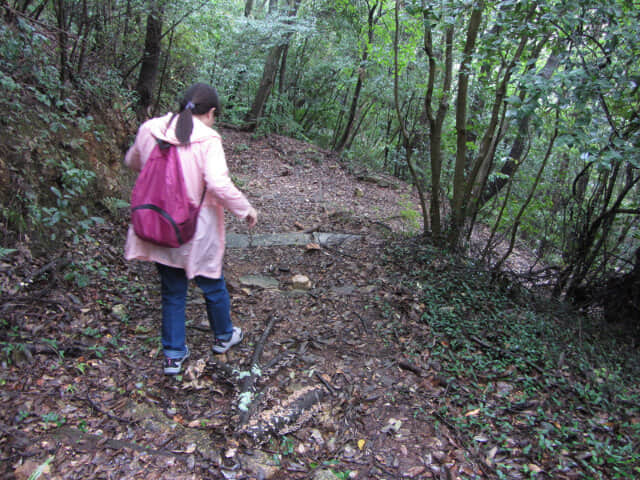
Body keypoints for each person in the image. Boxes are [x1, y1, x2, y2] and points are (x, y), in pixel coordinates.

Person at [124, 83, 257, 375]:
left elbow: (132, 161)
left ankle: (173, 355)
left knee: (172, 290)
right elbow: (217, 183)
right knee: (212, 282)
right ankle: (224, 336)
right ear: (210, 113)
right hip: (193, 229)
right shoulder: (208, 139)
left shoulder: (150, 128)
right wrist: (245, 208)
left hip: (156, 223)